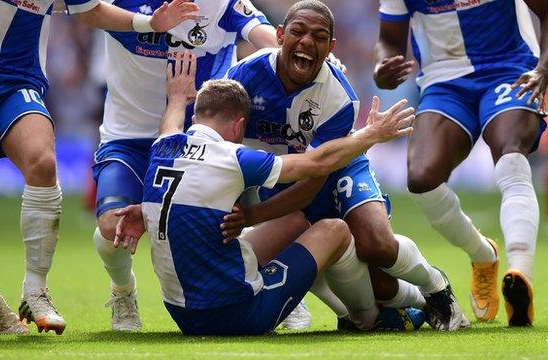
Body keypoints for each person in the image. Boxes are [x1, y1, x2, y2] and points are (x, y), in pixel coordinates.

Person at [0, 0, 198, 335]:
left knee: (44, 163)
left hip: (18, 81)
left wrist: (149, 23)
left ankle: (36, 291)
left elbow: (88, 10)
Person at [112, 51, 422, 335]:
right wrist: (370, 135)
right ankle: (368, 317)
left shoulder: (162, 146)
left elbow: (170, 124)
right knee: (334, 229)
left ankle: (351, 308)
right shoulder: (232, 158)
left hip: (179, 312)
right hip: (235, 314)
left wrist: (177, 97)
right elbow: (317, 163)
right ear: (239, 126)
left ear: (196, 118)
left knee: (296, 221)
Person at [224, 0, 469, 330]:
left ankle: (436, 287)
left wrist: (250, 218)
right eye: (298, 31)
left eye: (319, 36)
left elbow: (311, 183)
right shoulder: (243, 77)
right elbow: (226, 149)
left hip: (337, 168)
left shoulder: (340, 96)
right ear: (280, 35)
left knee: (376, 246)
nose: (307, 42)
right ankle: (382, 310)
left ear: (330, 47)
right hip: (280, 181)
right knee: (374, 290)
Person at [90, 0, 298, 332]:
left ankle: (264, 280)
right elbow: (86, 12)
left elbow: (265, 38)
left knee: (228, 221)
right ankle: (123, 291)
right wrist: (148, 24)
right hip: (128, 138)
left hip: (195, 143)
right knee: (109, 225)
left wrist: (311, 61)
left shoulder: (222, 3)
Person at [374, 0, 547, 326]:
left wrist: (544, 67)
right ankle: (484, 256)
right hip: (445, 83)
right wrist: (382, 67)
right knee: (421, 179)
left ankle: (519, 275)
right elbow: (389, 40)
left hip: (509, 68)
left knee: (511, 155)